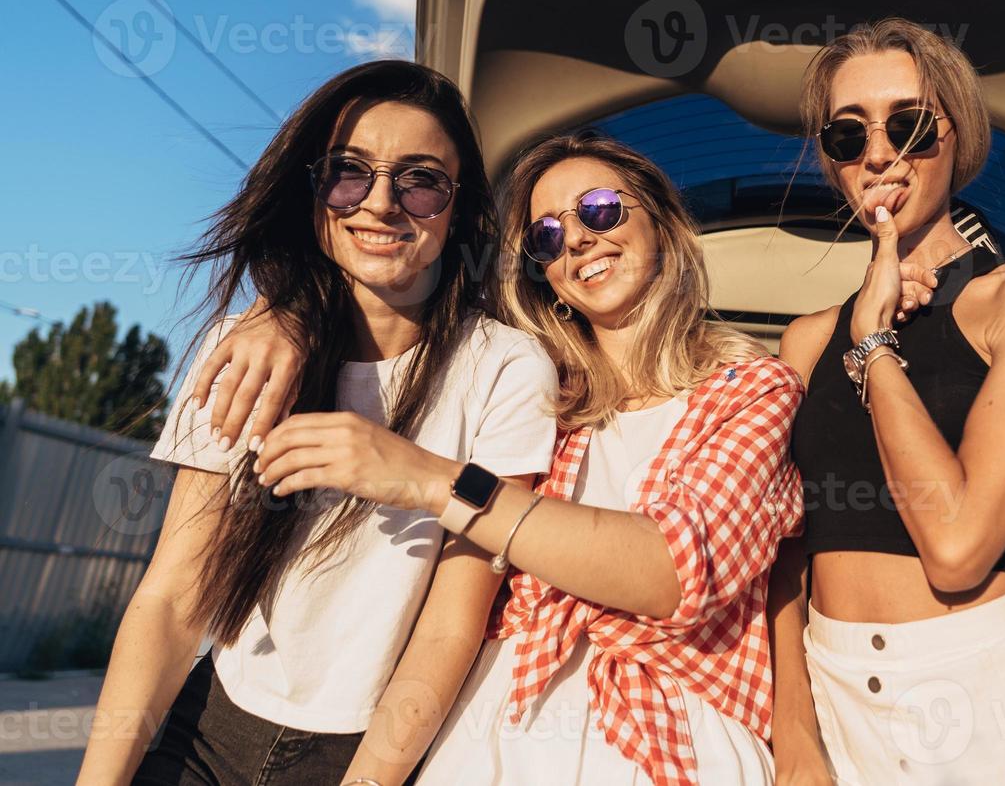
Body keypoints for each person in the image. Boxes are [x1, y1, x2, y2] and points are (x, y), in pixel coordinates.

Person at [201, 130, 806, 785]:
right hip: (490, 735)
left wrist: (429, 479)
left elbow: (673, 571)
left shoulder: (751, 390)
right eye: (547, 236)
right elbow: (389, 300)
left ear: (662, 225)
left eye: (601, 209)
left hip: (663, 742)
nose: (576, 238)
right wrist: (284, 309)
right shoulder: (530, 393)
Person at [77, 60, 558, 786]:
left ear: (457, 209)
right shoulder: (246, 350)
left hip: (371, 751)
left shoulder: (506, 368)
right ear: (313, 194)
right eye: (348, 172)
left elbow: (450, 627)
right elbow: (174, 597)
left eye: (421, 181)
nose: (381, 203)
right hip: (211, 725)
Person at [769, 18, 1005, 784]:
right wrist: (794, 731)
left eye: (908, 126)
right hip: (839, 707)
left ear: (957, 131)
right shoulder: (805, 341)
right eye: (847, 135)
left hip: (999, 706)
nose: (878, 154)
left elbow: (959, 544)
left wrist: (873, 348)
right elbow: (787, 557)